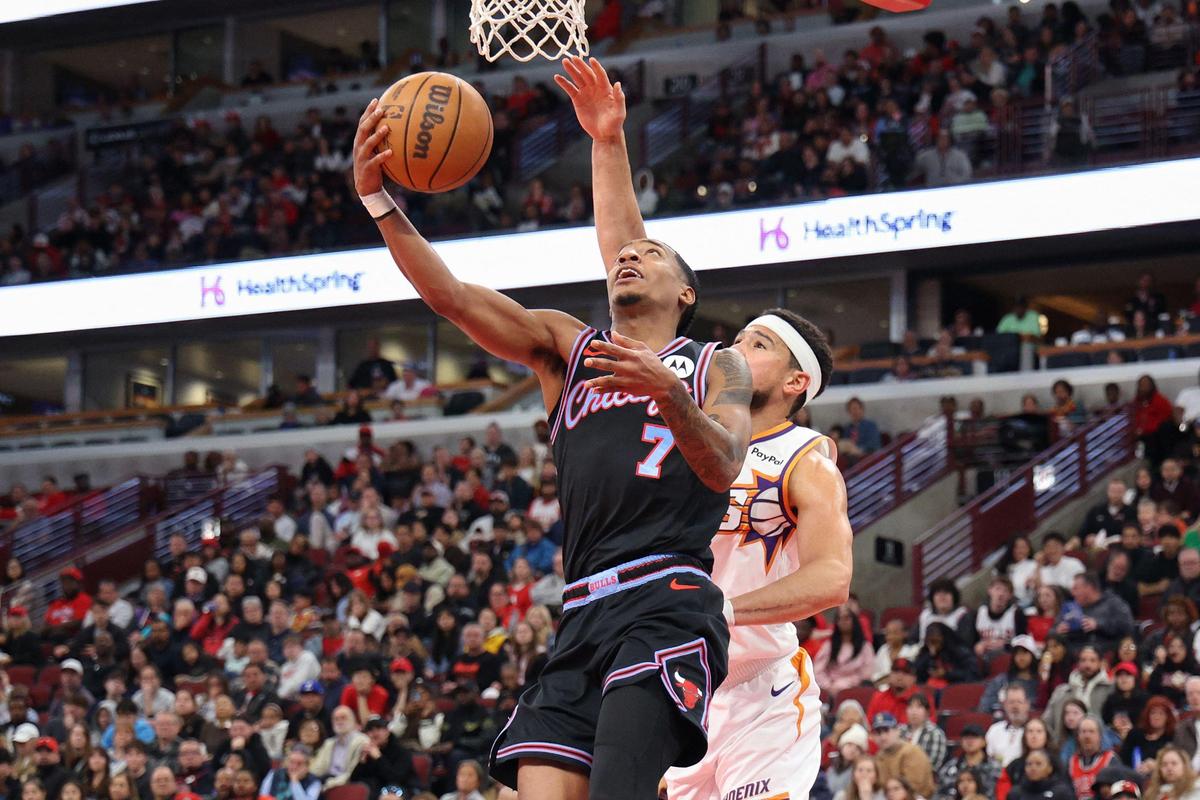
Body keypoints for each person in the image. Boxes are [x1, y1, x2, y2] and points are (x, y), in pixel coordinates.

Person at [357, 56, 755, 800]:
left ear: (686, 291)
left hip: (665, 600)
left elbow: (726, 464)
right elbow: (447, 296)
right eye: (624, 254)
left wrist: (669, 395)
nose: (631, 255)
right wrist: (378, 199)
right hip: (580, 611)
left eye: (651, 254)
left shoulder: (714, 365)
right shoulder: (568, 348)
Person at [1046, 647, 1115, 743]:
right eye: (1083, 660)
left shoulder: (1110, 689)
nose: (1087, 664)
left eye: (1092, 660)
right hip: (1062, 744)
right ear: (1078, 664)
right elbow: (1046, 721)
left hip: (1100, 744)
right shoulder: (1061, 691)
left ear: (1100, 663)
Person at [816, 606, 877, 697]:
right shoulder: (829, 645)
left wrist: (846, 684)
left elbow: (867, 674)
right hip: (831, 690)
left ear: (854, 621)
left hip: (856, 690)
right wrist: (829, 686)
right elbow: (818, 670)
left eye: (847, 618)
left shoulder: (865, 647)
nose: (843, 621)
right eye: (839, 619)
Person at [871, 713, 935, 799]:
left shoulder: (912, 752)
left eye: (886, 730)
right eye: (878, 733)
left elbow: (913, 788)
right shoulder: (879, 756)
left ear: (897, 731)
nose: (883, 737)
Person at [309, 706, 369, 789]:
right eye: (336, 719)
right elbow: (317, 768)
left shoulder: (362, 741)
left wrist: (329, 784)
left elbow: (352, 773)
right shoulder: (328, 743)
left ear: (353, 721)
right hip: (326, 782)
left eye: (343, 718)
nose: (339, 722)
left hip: (347, 784)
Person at [937, 723, 999, 799]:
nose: (969, 741)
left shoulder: (994, 767)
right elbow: (938, 792)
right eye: (966, 737)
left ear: (984, 742)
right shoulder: (951, 766)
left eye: (974, 737)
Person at [1068, 716, 1121, 800]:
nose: (1087, 736)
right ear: (1078, 736)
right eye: (1083, 732)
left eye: (1091, 731)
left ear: (1100, 736)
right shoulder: (1072, 762)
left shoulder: (1110, 759)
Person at [1120, 696, 1177, 772]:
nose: (1156, 717)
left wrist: (1157, 765)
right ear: (1147, 715)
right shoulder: (1135, 734)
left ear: (1168, 717)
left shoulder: (1172, 736)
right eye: (1153, 713)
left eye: (1161, 713)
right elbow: (1123, 759)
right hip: (1134, 774)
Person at [986, 683, 1033, 767]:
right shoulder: (994, 729)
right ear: (1004, 705)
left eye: (1019, 702)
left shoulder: (1034, 731)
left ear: (1027, 705)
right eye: (1011, 702)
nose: (1015, 706)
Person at [900, 694, 946, 772]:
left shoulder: (935, 733)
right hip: (898, 779)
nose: (914, 712)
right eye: (910, 707)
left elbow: (932, 765)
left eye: (919, 707)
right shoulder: (900, 730)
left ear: (927, 712)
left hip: (923, 778)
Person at [1009, 749, 1074, 800]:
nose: (1033, 768)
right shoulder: (1016, 793)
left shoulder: (1061, 793)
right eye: (1029, 764)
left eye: (1038, 764)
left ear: (1050, 768)